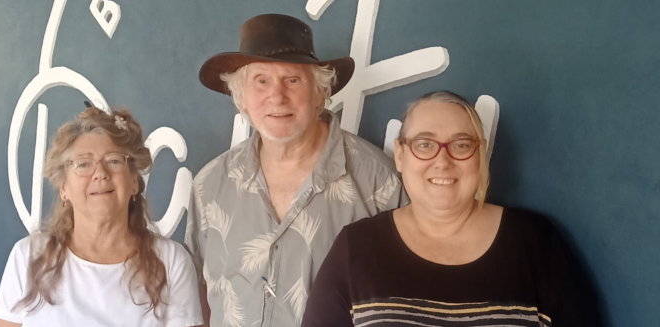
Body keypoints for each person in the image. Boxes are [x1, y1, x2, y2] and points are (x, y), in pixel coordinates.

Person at [302, 91, 603, 327]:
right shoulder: (356, 247)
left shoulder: (536, 242)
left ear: (480, 155)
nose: (442, 161)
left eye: (460, 145)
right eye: (424, 144)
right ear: (401, 155)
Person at [187, 13, 407, 327]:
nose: (277, 96)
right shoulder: (209, 184)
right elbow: (199, 293)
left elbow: (405, 300)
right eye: (261, 81)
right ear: (242, 97)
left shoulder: (378, 183)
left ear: (320, 92)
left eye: (292, 80)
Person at [0, 106, 203, 327]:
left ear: (134, 182)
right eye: (83, 164)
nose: (100, 173)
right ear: (63, 187)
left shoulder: (171, 262)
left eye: (114, 161)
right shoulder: (29, 257)